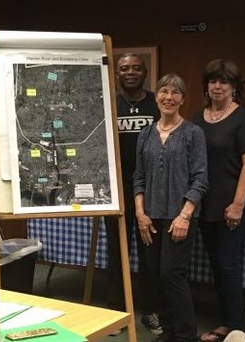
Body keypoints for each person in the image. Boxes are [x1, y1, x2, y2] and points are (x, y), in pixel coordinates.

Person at [134, 74, 207, 342]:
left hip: (180, 217)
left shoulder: (193, 133)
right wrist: (140, 214)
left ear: (183, 99)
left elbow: (200, 179)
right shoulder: (146, 134)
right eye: (164, 92)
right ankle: (169, 330)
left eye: (176, 93)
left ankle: (187, 335)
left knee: (171, 274)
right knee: (154, 276)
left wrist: (185, 216)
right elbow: (138, 178)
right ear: (156, 97)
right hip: (150, 217)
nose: (169, 97)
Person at [192, 58, 245, 341]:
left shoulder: (242, 118)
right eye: (213, 81)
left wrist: (238, 204)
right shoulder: (197, 118)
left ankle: (236, 327)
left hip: (234, 205)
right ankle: (228, 320)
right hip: (206, 204)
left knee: (228, 264)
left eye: (224, 81)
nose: (217, 86)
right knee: (217, 264)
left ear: (234, 87)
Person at [103, 52, 163, 335]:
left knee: (150, 252)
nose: (130, 73)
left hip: (152, 190)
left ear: (145, 72)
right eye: (124, 68)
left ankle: (151, 310)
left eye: (136, 68)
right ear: (116, 74)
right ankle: (117, 310)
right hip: (116, 190)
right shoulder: (108, 102)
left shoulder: (157, 103)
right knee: (117, 251)